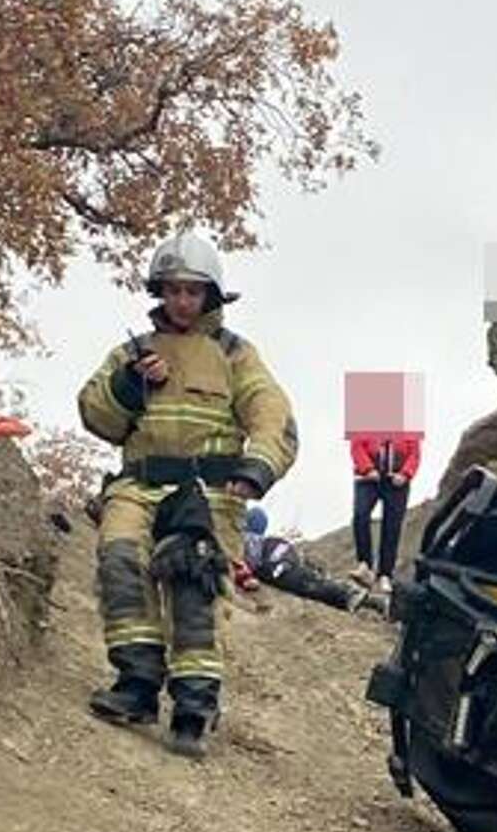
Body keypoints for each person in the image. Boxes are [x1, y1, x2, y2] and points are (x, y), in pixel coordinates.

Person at [77, 230, 298, 759]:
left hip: (208, 491)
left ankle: (196, 705)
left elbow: (274, 417)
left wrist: (257, 469)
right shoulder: (131, 353)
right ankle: (136, 684)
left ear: (210, 296)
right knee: (120, 559)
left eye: (193, 291)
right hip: (139, 481)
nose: (181, 301)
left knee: (194, 584)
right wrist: (130, 387)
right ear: (159, 291)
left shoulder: (236, 355)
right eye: (172, 290)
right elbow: (95, 415)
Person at [235, 507, 378, 615]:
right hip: (286, 561)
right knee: (316, 582)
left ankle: (352, 596)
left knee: (311, 585)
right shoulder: (267, 540)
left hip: (279, 568)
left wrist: (245, 577)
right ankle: (369, 600)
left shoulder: (249, 539)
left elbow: (250, 562)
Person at [348, 426, 421, 595]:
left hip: (397, 480)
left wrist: (405, 474)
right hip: (367, 477)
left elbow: (415, 453)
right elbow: (356, 446)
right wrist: (367, 468)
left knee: (392, 526)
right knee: (360, 515)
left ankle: (385, 574)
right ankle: (364, 565)